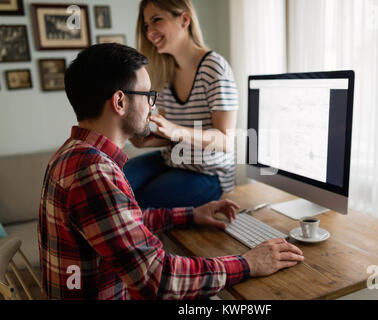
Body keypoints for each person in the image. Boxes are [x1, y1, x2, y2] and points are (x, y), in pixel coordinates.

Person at [38, 43, 304, 300]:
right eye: (148, 96)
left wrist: (190, 214)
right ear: (120, 101)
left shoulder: (72, 153)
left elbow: (121, 224)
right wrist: (248, 263)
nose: (152, 107)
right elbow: (159, 279)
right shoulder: (95, 172)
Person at [123, 0, 239, 208]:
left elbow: (225, 140)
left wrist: (175, 130)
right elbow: (171, 138)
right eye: (147, 25)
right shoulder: (165, 70)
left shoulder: (214, 68)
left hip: (209, 173)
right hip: (172, 159)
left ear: (184, 19)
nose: (149, 33)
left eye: (156, 20)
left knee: (138, 203)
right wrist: (147, 141)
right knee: (115, 185)